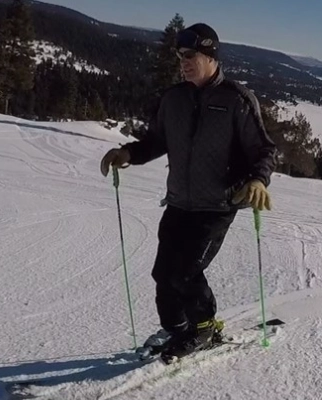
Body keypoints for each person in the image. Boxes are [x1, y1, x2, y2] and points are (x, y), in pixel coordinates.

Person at [99, 23, 277, 360]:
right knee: (163, 274)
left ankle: (204, 327)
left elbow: (263, 151)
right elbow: (157, 141)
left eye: (190, 56)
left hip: (218, 204)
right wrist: (128, 153)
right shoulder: (173, 98)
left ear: (210, 56)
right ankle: (178, 329)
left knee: (185, 271)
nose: (183, 62)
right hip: (179, 201)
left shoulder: (236, 100)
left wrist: (257, 180)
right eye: (180, 56)